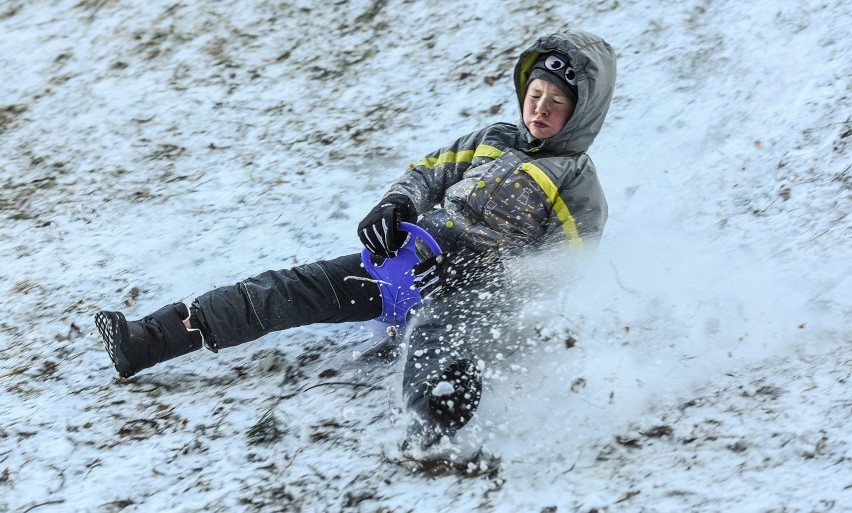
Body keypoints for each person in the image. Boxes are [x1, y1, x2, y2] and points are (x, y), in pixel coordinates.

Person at [94, 29, 617, 447]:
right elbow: (428, 173)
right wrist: (396, 204)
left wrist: (483, 274)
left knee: (435, 340)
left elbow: (567, 265)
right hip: (405, 262)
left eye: (557, 103)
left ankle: (436, 434)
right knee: (291, 288)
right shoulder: (492, 138)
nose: (541, 109)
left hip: (473, 294)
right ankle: (150, 340)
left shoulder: (576, 181)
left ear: (581, 113)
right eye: (536, 94)